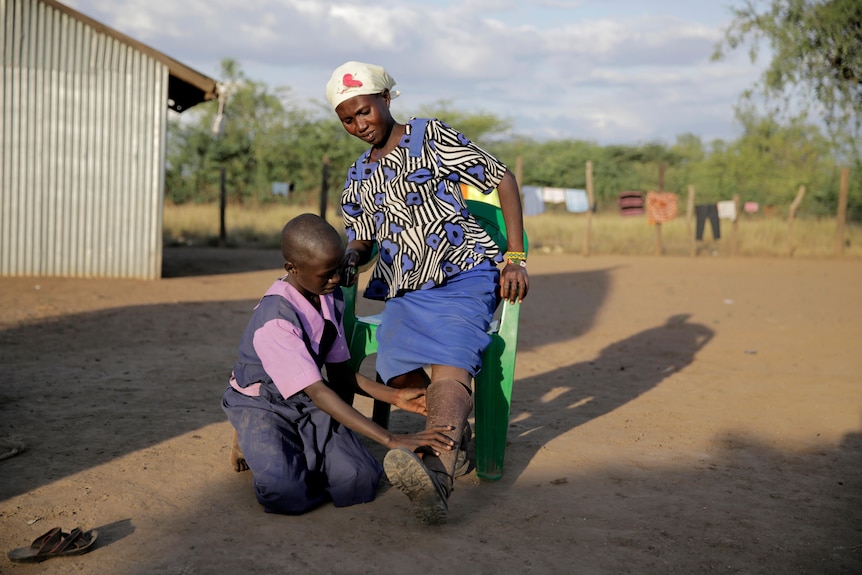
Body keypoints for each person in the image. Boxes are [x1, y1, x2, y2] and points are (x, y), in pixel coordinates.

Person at [326, 61, 530, 524]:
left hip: (463, 274)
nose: (359, 125)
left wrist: (514, 257)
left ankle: (437, 474)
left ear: (386, 99)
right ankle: (453, 441)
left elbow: (502, 179)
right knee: (395, 366)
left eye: (364, 112)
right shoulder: (357, 176)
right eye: (347, 119)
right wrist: (354, 256)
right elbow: (361, 235)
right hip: (404, 289)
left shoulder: (429, 136)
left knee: (452, 354)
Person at [221, 213, 456, 515]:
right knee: (285, 494)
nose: (336, 280)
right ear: (292, 269)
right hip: (262, 403)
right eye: (326, 274)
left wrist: (395, 396)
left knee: (361, 480)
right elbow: (321, 392)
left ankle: (293, 452)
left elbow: (341, 374)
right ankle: (253, 437)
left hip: (303, 399)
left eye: (337, 270)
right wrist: (391, 439)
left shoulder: (326, 296)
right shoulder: (276, 321)